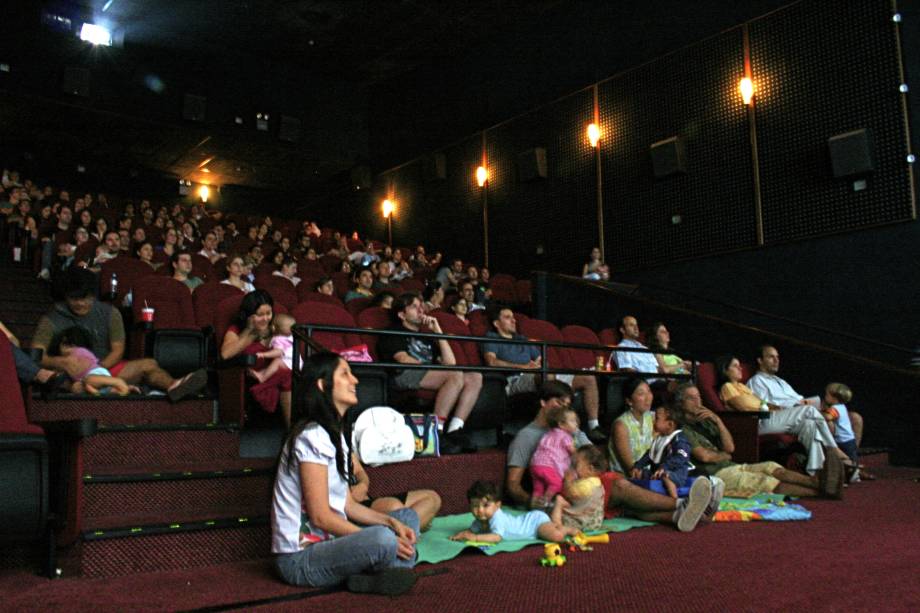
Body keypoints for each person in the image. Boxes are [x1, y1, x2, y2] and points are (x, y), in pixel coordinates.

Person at [271, 352, 419, 595]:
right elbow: (319, 517)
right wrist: (381, 537)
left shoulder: (334, 435)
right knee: (383, 539)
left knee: (407, 518)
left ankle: (378, 573)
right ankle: (392, 567)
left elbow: (347, 505)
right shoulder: (312, 436)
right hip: (299, 559)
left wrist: (391, 522)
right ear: (322, 384)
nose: (355, 380)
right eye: (345, 374)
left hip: (332, 545)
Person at [504, 380, 717, 532]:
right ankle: (684, 503)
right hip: (561, 493)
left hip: (587, 482)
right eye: (558, 403)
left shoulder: (573, 429)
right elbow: (513, 485)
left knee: (629, 505)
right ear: (543, 402)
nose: (563, 409)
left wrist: (587, 464)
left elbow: (597, 458)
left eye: (567, 405)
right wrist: (534, 501)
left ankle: (685, 514)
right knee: (620, 485)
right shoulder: (526, 436)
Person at [31, 268, 207, 402]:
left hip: (104, 368)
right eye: (74, 299)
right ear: (65, 297)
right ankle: (85, 387)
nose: (80, 304)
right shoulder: (52, 318)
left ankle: (173, 386)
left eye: (86, 298)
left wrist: (97, 369)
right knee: (56, 378)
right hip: (70, 373)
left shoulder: (110, 313)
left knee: (149, 364)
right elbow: (37, 354)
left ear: (93, 296)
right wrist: (62, 363)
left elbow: (118, 350)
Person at [676, 383, 843, 499]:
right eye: (691, 398)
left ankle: (815, 481)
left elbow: (730, 447)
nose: (698, 401)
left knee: (770, 466)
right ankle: (820, 492)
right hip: (714, 475)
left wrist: (718, 421)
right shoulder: (682, 429)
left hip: (732, 466)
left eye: (699, 397)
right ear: (680, 403)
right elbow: (705, 457)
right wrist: (725, 455)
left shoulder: (707, 421)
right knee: (764, 482)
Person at [482, 305, 603, 443]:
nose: (513, 320)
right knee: (547, 376)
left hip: (537, 374)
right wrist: (525, 367)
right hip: (514, 379)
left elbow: (542, 359)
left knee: (588, 378)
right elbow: (491, 361)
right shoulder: (492, 337)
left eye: (513, 317)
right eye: (507, 317)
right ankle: (559, 426)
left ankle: (594, 427)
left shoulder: (522, 339)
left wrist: (539, 365)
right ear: (497, 323)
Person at [376, 293, 482, 442]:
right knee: (454, 374)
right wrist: (435, 369)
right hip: (404, 375)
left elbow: (450, 363)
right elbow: (404, 360)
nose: (421, 311)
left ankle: (454, 429)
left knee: (475, 377)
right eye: (414, 307)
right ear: (402, 314)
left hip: (429, 373)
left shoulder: (427, 336)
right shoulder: (393, 332)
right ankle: (436, 431)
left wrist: (438, 333)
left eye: (421, 307)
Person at [717, 354, 846, 475]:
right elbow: (743, 406)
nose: (740, 368)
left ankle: (816, 472)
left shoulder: (743, 387)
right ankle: (834, 450)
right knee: (809, 410)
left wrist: (775, 407)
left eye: (740, 365)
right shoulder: (727, 387)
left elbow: (762, 402)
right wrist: (767, 407)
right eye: (735, 365)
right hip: (755, 422)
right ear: (725, 370)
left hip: (768, 417)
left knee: (809, 425)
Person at [748, 344, 865, 453]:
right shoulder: (756, 381)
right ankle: (836, 459)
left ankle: (852, 458)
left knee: (855, 418)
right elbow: (764, 406)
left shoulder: (780, 381)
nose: (776, 360)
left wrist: (820, 404)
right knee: (825, 421)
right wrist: (803, 406)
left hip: (804, 408)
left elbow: (799, 398)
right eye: (771, 357)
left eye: (777, 357)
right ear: (760, 360)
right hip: (785, 416)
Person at [220, 290, 292, 425]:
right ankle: (292, 431)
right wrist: (250, 332)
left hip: (278, 370)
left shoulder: (276, 328)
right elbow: (225, 354)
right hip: (252, 374)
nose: (265, 318)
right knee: (286, 375)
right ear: (248, 315)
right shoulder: (237, 329)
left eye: (268, 313)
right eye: (260, 315)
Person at [449, 481, 578, 544]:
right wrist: (461, 535)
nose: (480, 510)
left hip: (534, 524)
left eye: (486, 505)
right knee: (555, 524)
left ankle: (564, 521)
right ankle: (559, 516)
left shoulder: (497, 518)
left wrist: (476, 538)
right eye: (475, 506)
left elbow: (496, 537)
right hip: (530, 519)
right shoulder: (479, 520)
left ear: (498, 506)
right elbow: (471, 531)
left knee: (557, 536)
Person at [349, 454, 442, 532]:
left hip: (366, 500)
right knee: (396, 508)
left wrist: (363, 484)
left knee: (432, 498)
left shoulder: (342, 442)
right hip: (350, 508)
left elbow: (359, 471)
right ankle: (412, 528)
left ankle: (407, 530)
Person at [48, 326, 140, 396]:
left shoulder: (79, 352)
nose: (68, 349)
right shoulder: (62, 363)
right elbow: (61, 381)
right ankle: (124, 389)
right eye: (65, 345)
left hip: (96, 374)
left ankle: (119, 382)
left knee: (89, 380)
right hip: (89, 384)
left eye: (72, 345)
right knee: (77, 388)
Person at [631, 406, 692, 499]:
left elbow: (681, 457)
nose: (653, 422)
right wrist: (638, 465)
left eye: (657, 419)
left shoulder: (679, 440)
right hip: (656, 472)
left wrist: (665, 467)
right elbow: (650, 455)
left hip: (675, 474)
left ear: (670, 424)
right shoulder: (659, 438)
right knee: (638, 474)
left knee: (666, 476)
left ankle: (676, 502)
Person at [529, 404, 580, 507]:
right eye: (573, 421)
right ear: (561, 424)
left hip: (535, 465)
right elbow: (573, 451)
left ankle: (533, 505)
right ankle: (545, 502)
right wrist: (579, 455)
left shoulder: (548, 434)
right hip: (548, 466)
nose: (576, 424)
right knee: (556, 484)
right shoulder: (565, 436)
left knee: (538, 488)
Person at [550, 445, 608, 533]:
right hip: (594, 523)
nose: (571, 468)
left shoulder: (587, 485)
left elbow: (571, 494)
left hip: (580, 522)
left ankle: (559, 526)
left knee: (558, 501)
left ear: (590, 469)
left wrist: (567, 481)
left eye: (575, 464)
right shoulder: (596, 482)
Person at [821, 382, 870, 479]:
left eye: (827, 395)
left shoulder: (834, 409)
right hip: (850, 439)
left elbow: (828, 417)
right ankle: (855, 472)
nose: (825, 397)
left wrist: (820, 411)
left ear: (834, 398)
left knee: (848, 458)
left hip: (842, 440)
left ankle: (853, 474)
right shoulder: (842, 406)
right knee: (852, 456)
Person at [609, 378, 655, 474]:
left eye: (649, 391)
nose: (648, 397)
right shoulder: (621, 426)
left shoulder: (651, 417)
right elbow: (631, 469)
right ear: (629, 401)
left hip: (648, 473)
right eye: (641, 394)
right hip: (627, 478)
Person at [248, 313, 295, 384]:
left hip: (289, 363)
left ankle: (262, 377)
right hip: (295, 362)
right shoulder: (290, 337)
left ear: (273, 328)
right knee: (272, 365)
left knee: (276, 361)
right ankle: (260, 373)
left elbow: (278, 352)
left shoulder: (278, 339)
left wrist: (263, 354)